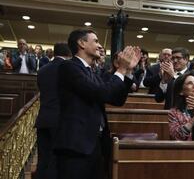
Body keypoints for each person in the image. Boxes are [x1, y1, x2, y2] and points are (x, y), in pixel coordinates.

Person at [54, 29, 140, 179]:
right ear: (81, 43)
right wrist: (121, 68)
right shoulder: (69, 67)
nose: (100, 46)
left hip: (96, 144)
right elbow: (102, 92)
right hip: (76, 146)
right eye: (96, 41)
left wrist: (128, 71)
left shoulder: (92, 72)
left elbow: (116, 99)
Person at [35, 42, 72, 179]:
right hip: (59, 120)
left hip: (43, 119)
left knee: (43, 160)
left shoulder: (43, 70)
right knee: (56, 161)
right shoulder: (68, 69)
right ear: (69, 54)